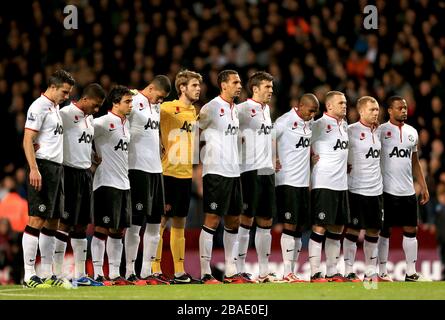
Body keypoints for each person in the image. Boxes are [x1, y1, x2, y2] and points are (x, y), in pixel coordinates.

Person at [22, 69, 75, 288]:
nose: (67, 97)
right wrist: (34, 168)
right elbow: (27, 140)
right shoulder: (38, 106)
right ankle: (28, 274)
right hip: (43, 167)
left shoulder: (55, 107)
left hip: (57, 169)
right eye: (64, 92)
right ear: (53, 87)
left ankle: (46, 273)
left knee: (53, 221)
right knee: (36, 219)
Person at [198, 70, 251, 284]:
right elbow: (194, 131)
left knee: (233, 220)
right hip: (216, 171)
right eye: (235, 82)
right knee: (212, 219)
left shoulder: (235, 110)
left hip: (233, 171)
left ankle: (230, 272)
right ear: (223, 85)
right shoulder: (210, 107)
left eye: (239, 82)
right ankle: (204, 273)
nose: (239, 86)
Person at [151, 70, 202, 284]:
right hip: (167, 173)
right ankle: (154, 270)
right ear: (182, 87)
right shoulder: (167, 108)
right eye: (193, 85)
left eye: (199, 86)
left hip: (185, 174)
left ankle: (179, 272)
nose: (198, 89)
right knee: (160, 222)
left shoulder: (194, 112)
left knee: (180, 222)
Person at [52, 83, 106, 286]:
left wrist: (92, 155)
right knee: (64, 223)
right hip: (68, 172)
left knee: (82, 224)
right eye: (96, 104)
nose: (97, 109)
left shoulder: (90, 118)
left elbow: (82, 142)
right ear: (85, 99)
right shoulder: (65, 114)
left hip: (85, 174)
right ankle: (56, 274)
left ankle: (81, 275)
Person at [124, 75, 171, 285]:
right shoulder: (132, 99)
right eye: (159, 97)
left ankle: (146, 272)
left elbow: (153, 131)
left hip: (156, 170)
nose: (159, 101)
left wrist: (160, 144)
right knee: (135, 223)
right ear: (150, 88)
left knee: (155, 223)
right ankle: (129, 272)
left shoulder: (156, 107)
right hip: (137, 169)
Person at [377, 96, 430, 282]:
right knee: (385, 231)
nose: (404, 111)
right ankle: (382, 272)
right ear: (390, 110)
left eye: (405, 107)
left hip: (407, 190)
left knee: (411, 230)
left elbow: (414, 161)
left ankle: (411, 272)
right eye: (400, 108)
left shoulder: (412, 132)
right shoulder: (381, 131)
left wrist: (423, 186)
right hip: (386, 190)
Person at [235, 71, 278, 283]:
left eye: (271, 87)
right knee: (246, 219)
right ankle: (239, 269)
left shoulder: (267, 109)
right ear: (255, 89)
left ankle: (263, 271)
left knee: (266, 220)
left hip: (266, 170)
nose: (271, 90)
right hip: (248, 170)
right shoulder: (241, 110)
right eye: (267, 87)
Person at [90, 85, 134, 286]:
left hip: (124, 184)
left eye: (131, 101)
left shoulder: (126, 124)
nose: (130, 105)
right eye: (127, 101)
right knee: (102, 228)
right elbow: (81, 134)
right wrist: (90, 157)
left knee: (119, 230)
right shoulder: (103, 122)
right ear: (115, 103)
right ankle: (98, 273)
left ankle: (115, 274)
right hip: (105, 183)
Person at [274, 93, 319, 282]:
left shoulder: (309, 124)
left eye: (315, 112)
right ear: (300, 106)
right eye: (310, 111)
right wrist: (272, 157)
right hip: (287, 181)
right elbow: (268, 138)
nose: (313, 115)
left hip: (303, 183)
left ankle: (291, 271)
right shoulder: (284, 121)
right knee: (289, 225)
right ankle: (286, 272)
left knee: (300, 228)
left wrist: (312, 155)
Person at [309, 91, 350, 283]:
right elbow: (298, 143)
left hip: (341, 184)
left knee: (337, 226)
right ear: (329, 106)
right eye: (340, 103)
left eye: (345, 102)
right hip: (323, 183)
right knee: (320, 226)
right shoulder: (318, 125)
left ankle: (333, 271)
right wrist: (309, 158)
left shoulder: (345, 125)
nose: (344, 105)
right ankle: (315, 272)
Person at [343, 96, 383, 282]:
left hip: (376, 190)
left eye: (376, 109)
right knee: (352, 230)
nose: (375, 113)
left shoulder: (380, 132)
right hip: (356, 189)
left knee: (373, 231)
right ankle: (349, 270)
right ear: (361, 111)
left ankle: (370, 272)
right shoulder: (350, 131)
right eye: (371, 110)